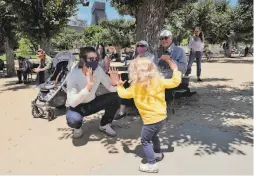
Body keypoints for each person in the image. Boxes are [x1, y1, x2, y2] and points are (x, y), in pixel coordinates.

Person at [113, 57, 181, 173]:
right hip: (162, 118)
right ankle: (158, 154)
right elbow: (175, 82)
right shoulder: (159, 81)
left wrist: (118, 85)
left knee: (145, 141)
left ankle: (152, 164)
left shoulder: (135, 87)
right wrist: (175, 69)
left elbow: (123, 94)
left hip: (150, 121)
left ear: (134, 73)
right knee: (154, 136)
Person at [65, 47, 121, 139]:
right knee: (74, 120)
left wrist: (116, 84)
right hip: (75, 107)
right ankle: (77, 128)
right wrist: (88, 88)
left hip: (91, 103)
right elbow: (72, 102)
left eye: (96, 59)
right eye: (91, 59)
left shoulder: (98, 70)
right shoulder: (73, 76)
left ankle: (104, 124)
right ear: (83, 60)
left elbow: (110, 88)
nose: (95, 61)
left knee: (116, 97)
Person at [115, 41, 155, 120]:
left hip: (146, 79)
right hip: (136, 77)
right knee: (123, 78)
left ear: (146, 47)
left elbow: (149, 69)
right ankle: (122, 111)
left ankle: (141, 109)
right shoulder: (136, 56)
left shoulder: (151, 56)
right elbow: (131, 68)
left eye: (142, 46)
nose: (140, 47)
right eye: (138, 46)